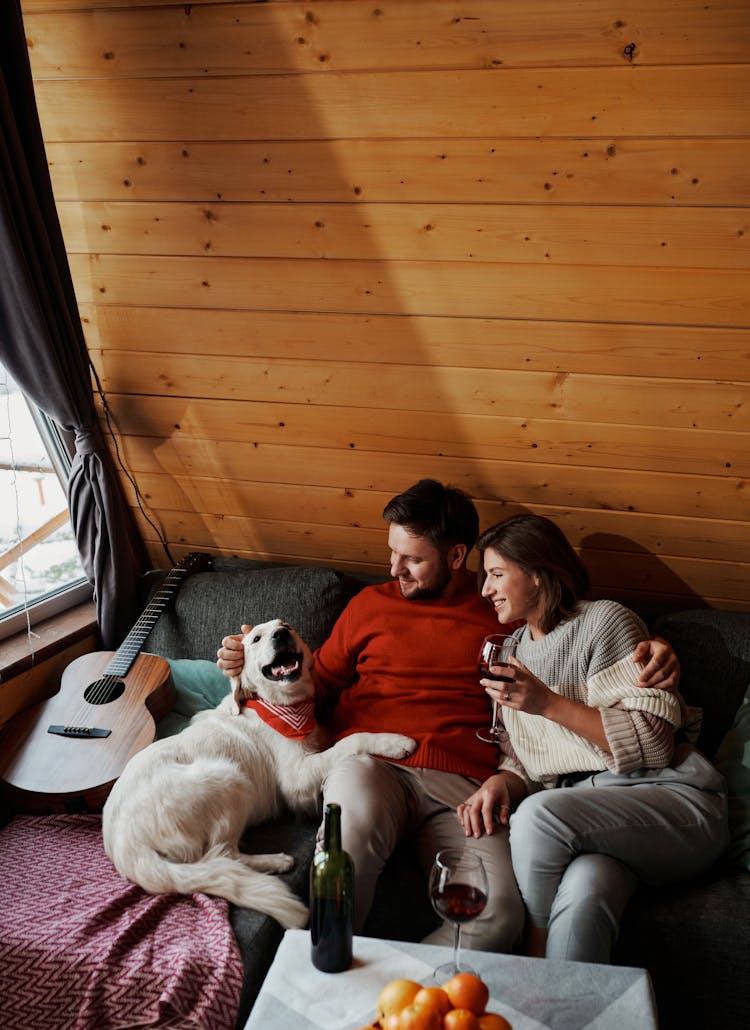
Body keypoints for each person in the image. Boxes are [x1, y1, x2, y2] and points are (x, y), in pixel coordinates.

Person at [217, 480, 680, 953]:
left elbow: (571, 632)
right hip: (370, 763)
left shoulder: (503, 613)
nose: (394, 568)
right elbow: (309, 689)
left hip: (465, 786)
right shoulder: (368, 606)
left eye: (412, 558)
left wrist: (657, 653)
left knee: (497, 916)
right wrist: (249, 670)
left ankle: (401, 1006)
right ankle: (323, 981)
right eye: (392, 553)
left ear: (457, 557)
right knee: (342, 858)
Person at [458, 513, 728, 962]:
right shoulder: (514, 649)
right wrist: (505, 779)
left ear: (539, 574)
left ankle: (530, 958)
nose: (484, 589)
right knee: (585, 891)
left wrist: (547, 703)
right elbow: (540, 757)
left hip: (671, 796)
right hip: (593, 817)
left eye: (496, 574)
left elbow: (654, 744)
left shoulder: (603, 623)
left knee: (537, 818)